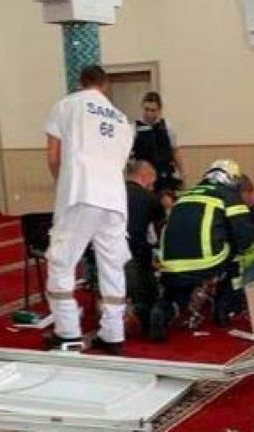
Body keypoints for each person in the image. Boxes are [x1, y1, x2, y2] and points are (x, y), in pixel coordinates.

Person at [42, 65, 134, 355]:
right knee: (112, 266)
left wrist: (62, 185)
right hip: (115, 199)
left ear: (80, 82)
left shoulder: (66, 105)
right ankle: (113, 334)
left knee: (61, 261)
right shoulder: (121, 119)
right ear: (105, 85)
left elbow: (53, 156)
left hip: (81, 193)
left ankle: (67, 332)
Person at [150, 159, 254, 341]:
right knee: (236, 259)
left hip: (170, 262)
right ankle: (224, 311)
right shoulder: (229, 196)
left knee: (177, 290)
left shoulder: (185, 195)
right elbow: (243, 235)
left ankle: (165, 309)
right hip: (207, 260)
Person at [124, 160, 166, 332]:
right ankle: (146, 319)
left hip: (109, 251)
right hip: (137, 252)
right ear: (145, 176)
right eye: (152, 181)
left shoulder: (112, 193)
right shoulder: (150, 199)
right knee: (144, 293)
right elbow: (159, 229)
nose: (152, 186)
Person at [131, 91, 186, 194]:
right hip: (144, 180)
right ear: (142, 107)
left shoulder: (167, 126)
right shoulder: (133, 128)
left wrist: (182, 172)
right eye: (146, 109)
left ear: (159, 110)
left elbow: (175, 150)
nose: (149, 113)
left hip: (164, 176)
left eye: (153, 110)